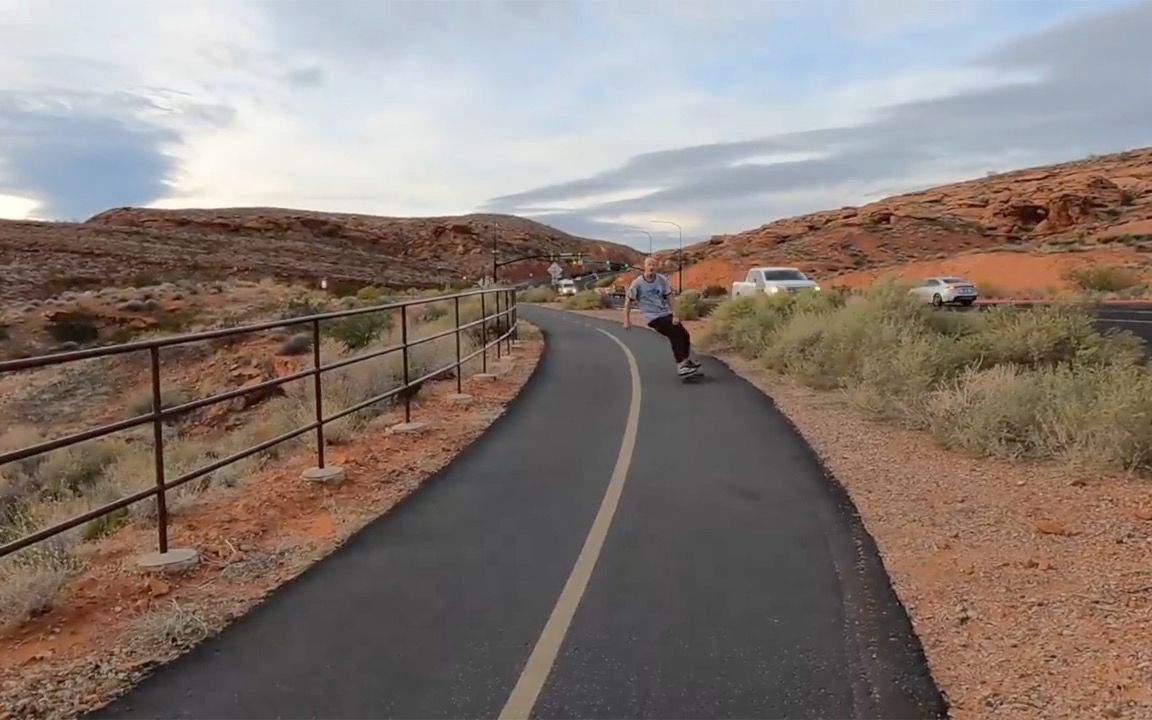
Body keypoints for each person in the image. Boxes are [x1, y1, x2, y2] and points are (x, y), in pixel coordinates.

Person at [623, 257, 701, 376]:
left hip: (665, 313)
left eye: (654, 265)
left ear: (656, 267)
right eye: (649, 265)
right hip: (652, 317)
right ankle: (681, 365)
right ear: (645, 266)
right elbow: (628, 302)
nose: (651, 267)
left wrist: (675, 314)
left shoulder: (661, 280)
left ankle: (686, 361)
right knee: (675, 334)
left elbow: (670, 298)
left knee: (685, 334)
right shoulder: (637, 283)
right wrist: (626, 321)